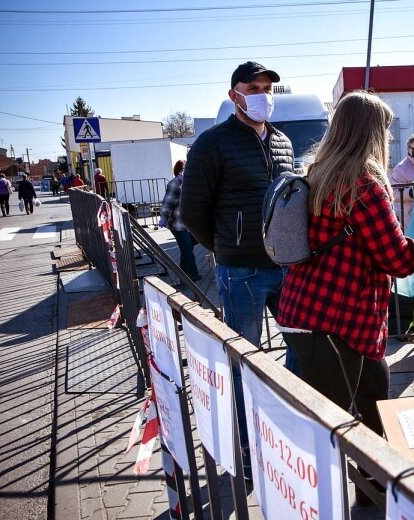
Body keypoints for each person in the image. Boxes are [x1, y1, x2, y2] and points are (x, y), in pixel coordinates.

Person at [276, 91, 414, 503]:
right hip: (336, 321)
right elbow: (395, 258)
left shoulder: (318, 172)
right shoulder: (364, 182)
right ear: (370, 133)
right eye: (384, 128)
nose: (390, 137)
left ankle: (372, 490)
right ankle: (324, 498)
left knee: (373, 398)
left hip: (305, 312)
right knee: (333, 422)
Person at [181, 61, 294, 480]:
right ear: (235, 95)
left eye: (268, 87)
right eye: (255, 87)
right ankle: (247, 449)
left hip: (286, 266)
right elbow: (192, 210)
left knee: (302, 348)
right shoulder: (212, 144)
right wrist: (225, 248)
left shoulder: (281, 141)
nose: (263, 94)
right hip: (241, 272)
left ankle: (284, 432)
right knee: (244, 359)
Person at [159, 160, 200, 281]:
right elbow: (168, 202)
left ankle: (183, 272)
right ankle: (192, 274)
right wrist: (163, 217)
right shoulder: (175, 183)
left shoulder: (190, 183)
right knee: (187, 247)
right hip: (177, 224)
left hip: (188, 224)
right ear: (181, 170)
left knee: (188, 245)